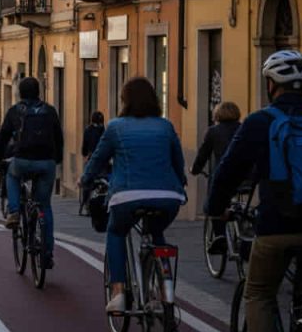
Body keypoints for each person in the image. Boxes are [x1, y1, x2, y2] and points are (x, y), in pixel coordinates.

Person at [206, 50, 302, 332]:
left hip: (277, 227)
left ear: (271, 84)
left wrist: (216, 209)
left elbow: (228, 172)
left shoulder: (260, 121)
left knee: (259, 292)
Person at [81, 77, 186, 314]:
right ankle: (163, 289)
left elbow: (97, 159)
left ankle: (118, 292)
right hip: (168, 198)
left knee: (116, 232)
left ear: (125, 101)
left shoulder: (116, 127)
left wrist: (85, 180)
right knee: (155, 231)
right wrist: (180, 184)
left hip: (127, 197)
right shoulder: (166, 126)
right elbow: (178, 162)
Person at [0, 77, 63, 269]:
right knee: (44, 206)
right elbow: (59, 137)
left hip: (22, 160)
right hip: (46, 162)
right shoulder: (50, 111)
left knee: (12, 176)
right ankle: (47, 253)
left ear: (20, 93)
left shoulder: (15, 111)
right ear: (39, 91)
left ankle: (14, 211)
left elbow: (2, 138)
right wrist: (57, 160)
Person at [190, 101, 242, 255]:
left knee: (213, 203)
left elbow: (203, 155)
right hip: (246, 176)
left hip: (224, 175)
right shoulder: (243, 128)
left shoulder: (213, 131)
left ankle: (219, 236)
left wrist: (195, 169)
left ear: (217, 115)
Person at [80, 111, 106, 212]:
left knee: (87, 181)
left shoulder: (88, 130)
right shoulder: (104, 130)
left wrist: (85, 153)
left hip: (92, 159)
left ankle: (85, 204)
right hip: (104, 161)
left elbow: (84, 149)